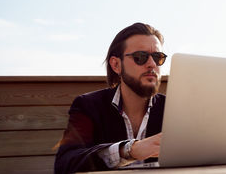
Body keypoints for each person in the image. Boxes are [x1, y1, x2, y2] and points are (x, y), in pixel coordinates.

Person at [54, 23, 167, 174]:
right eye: (141, 57)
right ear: (116, 65)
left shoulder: (172, 109)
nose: (152, 64)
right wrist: (128, 151)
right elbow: (65, 164)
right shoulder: (88, 106)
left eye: (158, 57)